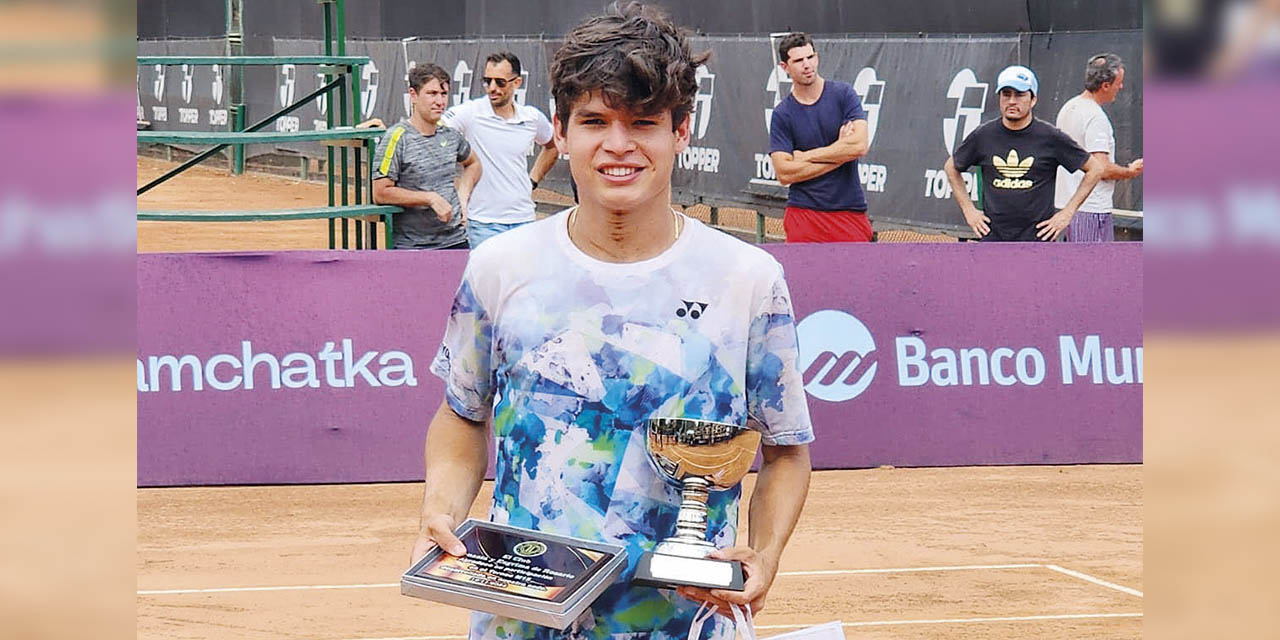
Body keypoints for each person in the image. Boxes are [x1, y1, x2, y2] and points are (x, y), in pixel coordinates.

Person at [411, 4, 815, 640]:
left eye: (644, 123)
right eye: (595, 121)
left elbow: (786, 449)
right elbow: (463, 414)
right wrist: (441, 508)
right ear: (562, 133)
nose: (618, 145)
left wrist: (763, 555)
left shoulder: (749, 279)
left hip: (687, 623)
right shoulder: (498, 266)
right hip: (523, 621)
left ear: (681, 131)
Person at [944, 65, 1106, 242]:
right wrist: (969, 210)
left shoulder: (1050, 137)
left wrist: (1067, 214)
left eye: (1020, 95)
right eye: (1006, 95)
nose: (1012, 101)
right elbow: (951, 168)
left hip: (1037, 242)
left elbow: (1095, 169)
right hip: (992, 240)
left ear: (1033, 99)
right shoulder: (983, 135)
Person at [443, 52, 560, 248]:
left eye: (500, 82)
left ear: (517, 82)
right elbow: (435, 126)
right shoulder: (471, 112)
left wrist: (532, 181)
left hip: (524, 220)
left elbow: (552, 146)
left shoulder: (531, 117)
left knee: (523, 278)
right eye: (487, 81)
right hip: (482, 223)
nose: (492, 88)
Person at [768, 32, 872, 243]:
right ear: (784, 67)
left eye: (810, 57)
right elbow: (784, 173)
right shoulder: (782, 114)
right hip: (803, 214)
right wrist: (840, 152)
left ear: (817, 58)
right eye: (798, 60)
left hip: (849, 213)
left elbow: (859, 145)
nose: (807, 65)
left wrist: (804, 157)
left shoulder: (844, 95)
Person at [371, 63, 481, 250]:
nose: (440, 101)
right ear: (413, 95)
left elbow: (473, 163)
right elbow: (380, 192)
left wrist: (463, 197)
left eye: (444, 94)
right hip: (414, 247)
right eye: (432, 94)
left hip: (456, 241)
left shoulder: (451, 136)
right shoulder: (397, 137)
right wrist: (430, 198)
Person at [1054, 54, 1144, 243]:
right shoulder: (1095, 118)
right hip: (1090, 211)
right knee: (1092, 270)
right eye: (1119, 82)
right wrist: (1131, 171)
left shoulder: (1068, 108)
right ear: (1105, 85)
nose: (1121, 87)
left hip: (1066, 209)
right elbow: (1101, 168)